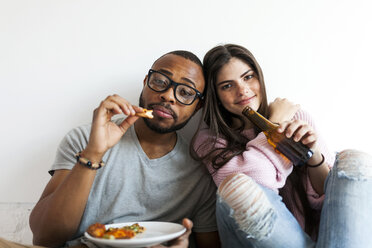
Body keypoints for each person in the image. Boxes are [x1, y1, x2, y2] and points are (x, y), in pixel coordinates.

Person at [29, 50, 221, 248]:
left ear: (198, 107)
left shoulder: (200, 173)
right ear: (146, 82)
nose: (168, 96)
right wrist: (93, 153)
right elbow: (45, 238)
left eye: (186, 93)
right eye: (160, 81)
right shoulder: (85, 139)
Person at [191, 44, 372, 247]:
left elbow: (328, 199)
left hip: (327, 238)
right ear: (215, 95)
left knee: (354, 161)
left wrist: (313, 155)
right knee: (239, 189)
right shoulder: (210, 141)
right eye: (227, 86)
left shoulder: (296, 118)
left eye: (248, 77)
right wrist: (274, 123)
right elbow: (254, 188)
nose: (243, 90)